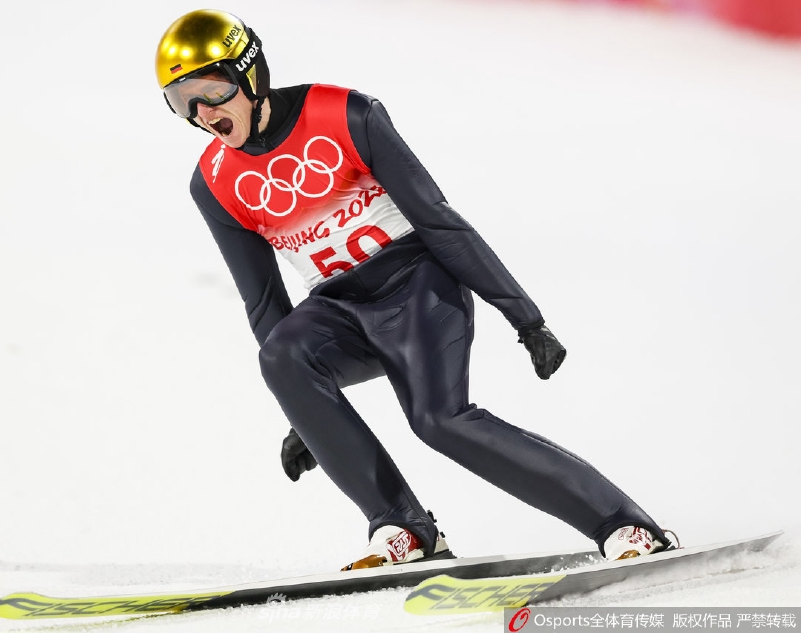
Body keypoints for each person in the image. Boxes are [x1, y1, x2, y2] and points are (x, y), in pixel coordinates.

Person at [154, 9, 671, 570]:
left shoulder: (344, 114)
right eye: (184, 102)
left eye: (213, 90)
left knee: (439, 421)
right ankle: (402, 526)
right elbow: (263, 301)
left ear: (251, 74)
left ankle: (623, 523)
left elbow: (438, 220)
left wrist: (525, 317)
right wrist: (304, 409)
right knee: (279, 354)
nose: (204, 114)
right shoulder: (213, 183)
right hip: (339, 309)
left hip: (418, 284)